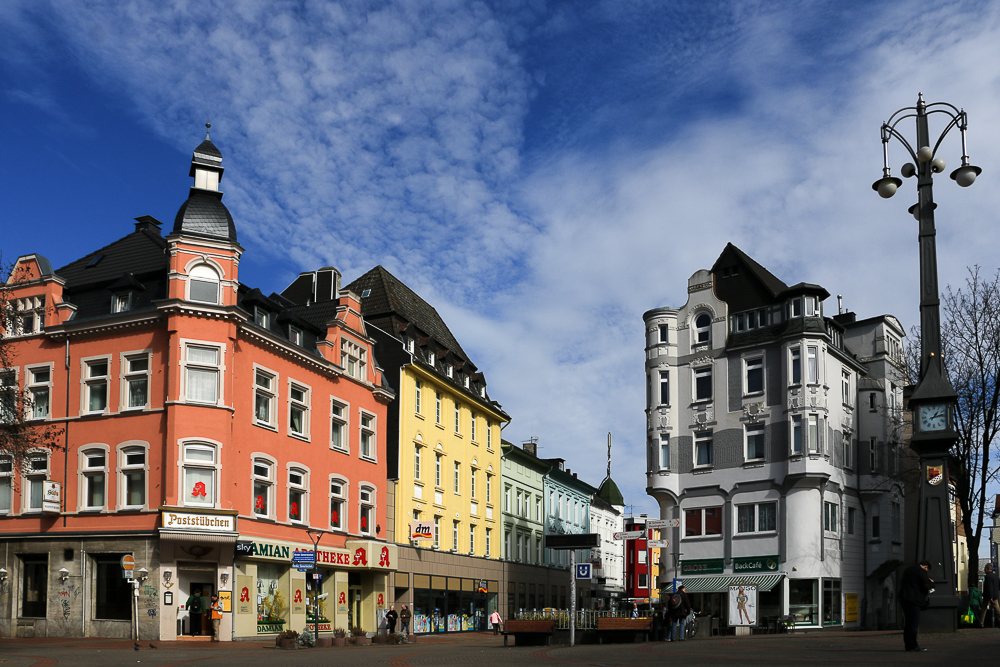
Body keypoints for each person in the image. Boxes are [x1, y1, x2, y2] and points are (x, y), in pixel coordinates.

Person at [899, 560, 933, 652]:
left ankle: (908, 645)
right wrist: (931, 583)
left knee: (908, 623)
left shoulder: (908, 569)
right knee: (914, 623)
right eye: (927, 570)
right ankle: (913, 645)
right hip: (914, 600)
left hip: (904, 598)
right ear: (926, 567)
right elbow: (926, 584)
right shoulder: (921, 571)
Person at [978, 562, 1000, 628]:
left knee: (983, 609)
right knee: (997, 610)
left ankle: (981, 623)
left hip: (988, 596)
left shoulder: (988, 576)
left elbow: (989, 587)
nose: (984, 570)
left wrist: (990, 597)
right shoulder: (996, 576)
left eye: (985, 568)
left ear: (988, 569)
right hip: (995, 595)